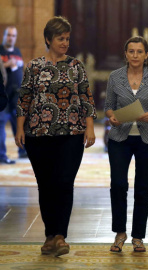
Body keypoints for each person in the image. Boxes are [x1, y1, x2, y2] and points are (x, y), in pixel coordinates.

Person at [15, 16, 97, 257]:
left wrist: (90, 127)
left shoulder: (76, 66)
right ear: (48, 39)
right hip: (38, 134)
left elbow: (86, 97)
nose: (65, 43)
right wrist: (20, 128)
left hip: (71, 134)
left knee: (64, 182)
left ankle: (61, 235)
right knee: (46, 185)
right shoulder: (33, 66)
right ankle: (50, 236)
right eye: (60, 38)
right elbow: (24, 98)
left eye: (67, 38)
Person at [105, 36, 148, 252]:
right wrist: (111, 116)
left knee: (143, 188)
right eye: (131, 51)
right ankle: (119, 233)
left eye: (139, 51)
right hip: (119, 138)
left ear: (146, 55)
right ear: (125, 54)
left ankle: (138, 237)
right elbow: (108, 106)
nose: (135, 55)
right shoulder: (115, 76)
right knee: (118, 185)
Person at [0, 26, 27, 164]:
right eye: (9, 35)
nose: (11, 38)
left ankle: (23, 151)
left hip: (16, 95)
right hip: (3, 94)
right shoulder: (0, 51)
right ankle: (1, 155)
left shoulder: (17, 51)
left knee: (20, 124)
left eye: (13, 36)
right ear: (4, 36)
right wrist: (6, 65)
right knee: (1, 125)